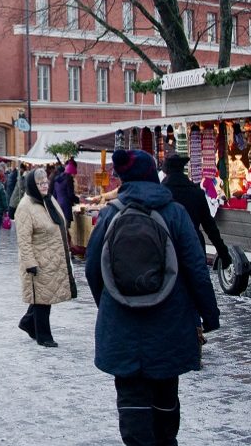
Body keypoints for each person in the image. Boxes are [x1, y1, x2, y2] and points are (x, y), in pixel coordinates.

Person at [85, 149, 220, 445]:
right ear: (151, 176)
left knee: (131, 399)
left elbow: (93, 270)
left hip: (122, 327)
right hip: (169, 325)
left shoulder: (110, 214)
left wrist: (108, 305)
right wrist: (209, 315)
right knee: (165, 395)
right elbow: (197, 269)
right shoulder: (175, 213)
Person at [15, 168, 76, 348]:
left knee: (45, 297)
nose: (44, 186)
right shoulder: (25, 207)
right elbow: (23, 240)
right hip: (39, 259)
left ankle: (27, 322)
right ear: (32, 185)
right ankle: (43, 335)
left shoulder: (48, 200)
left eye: (45, 183)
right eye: (40, 183)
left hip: (52, 257)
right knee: (42, 300)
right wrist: (30, 263)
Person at [161, 155, 232, 266]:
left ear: (166, 172)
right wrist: (223, 253)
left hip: (168, 248)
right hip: (194, 247)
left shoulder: (160, 193)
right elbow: (210, 227)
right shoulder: (196, 192)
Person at [51, 159, 79, 227]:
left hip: (58, 206)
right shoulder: (69, 179)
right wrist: (78, 200)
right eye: (74, 174)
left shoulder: (57, 179)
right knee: (66, 228)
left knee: (61, 229)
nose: (74, 176)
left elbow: (54, 195)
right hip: (66, 207)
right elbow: (70, 195)